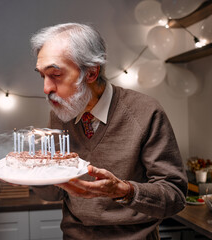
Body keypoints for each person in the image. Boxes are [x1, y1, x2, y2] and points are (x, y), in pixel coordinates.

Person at [31, 23, 187, 240]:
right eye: (42, 76)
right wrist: (33, 174)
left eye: (55, 74)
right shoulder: (61, 113)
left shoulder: (145, 111)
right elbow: (56, 192)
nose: (46, 89)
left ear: (92, 72)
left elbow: (175, 196)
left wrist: (124, 191)